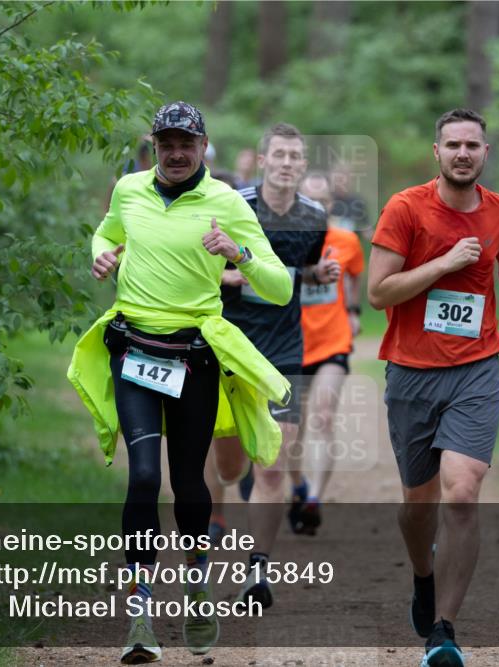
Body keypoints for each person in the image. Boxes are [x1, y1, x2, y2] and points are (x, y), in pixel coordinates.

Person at [68, 101, 294, 664]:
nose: (174, 153)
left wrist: (236, 251)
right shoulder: (129, 190)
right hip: (135, 350)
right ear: (153, 145)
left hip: (194, 357)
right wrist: (102, 257)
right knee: (143, 478)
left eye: (185, 143)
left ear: (203, 146)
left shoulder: (225, 203)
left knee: (189, 480)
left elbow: (280, 286)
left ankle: (197, 587)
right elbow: (105, 233)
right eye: (165, 143)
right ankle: (140, 616)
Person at [367, 108, 499, 667]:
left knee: (462, 491)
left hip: (476, 369)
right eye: (453, 145)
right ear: (435, 153)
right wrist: (440, 264)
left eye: (473, 145)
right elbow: (378, 294)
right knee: (419, 504)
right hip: (412, 372)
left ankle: (444, 629)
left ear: (486, 153)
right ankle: (423, 575)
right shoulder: (405, 208)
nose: (463, 153)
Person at [203, 123, 340, 610]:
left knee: (275, 468)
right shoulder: (230, 203)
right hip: (231, 347)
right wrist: (229, 274)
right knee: (229, 464)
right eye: (278, 154)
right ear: (261, 161)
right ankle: (225, 496)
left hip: (284, 350)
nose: (286, 163)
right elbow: (194, 264)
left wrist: (315, 274)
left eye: (295, 156)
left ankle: (256, 574)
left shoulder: (313, 217)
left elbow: (297, 275)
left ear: (303, 166)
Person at [286, 171, 365, 535]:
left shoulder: (347, 240)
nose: (317, 207)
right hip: (289, 344)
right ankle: (298, 486)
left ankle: (315, 498)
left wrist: (353, 313)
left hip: (332, 342)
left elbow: (353, 281)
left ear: (332, 204)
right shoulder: (284, 241)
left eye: (324, 201)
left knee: (321, 418)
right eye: (309, 200)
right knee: (290, 430)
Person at [329, 161, 370, 232]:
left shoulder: (358, 202)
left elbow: (366, 227)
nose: (341, 183)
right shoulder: (325, 200)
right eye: (338, 179)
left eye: (345, 177)